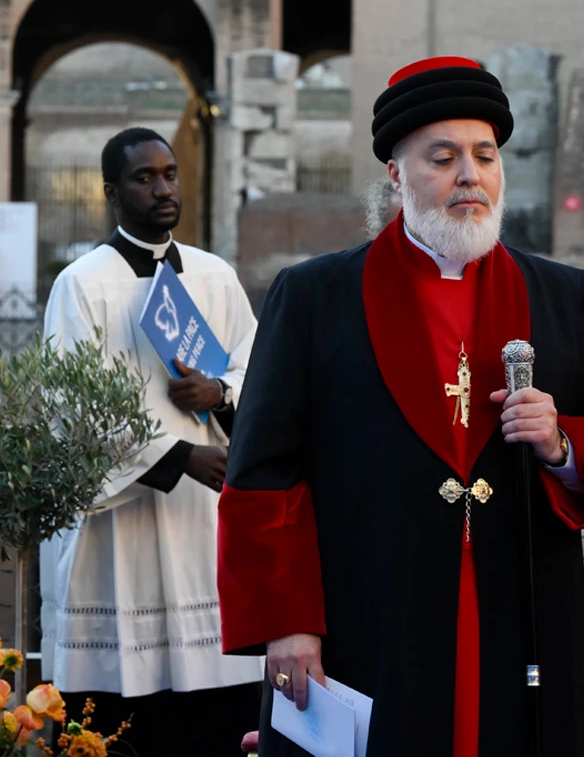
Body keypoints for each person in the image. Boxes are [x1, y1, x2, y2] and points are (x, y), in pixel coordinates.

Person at [220, 57, 584, 756]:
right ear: (396, 173)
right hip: (370, 605)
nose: (470, 176)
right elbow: (263, 475)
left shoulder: (564, 298)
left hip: (523, 607)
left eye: (485, 156)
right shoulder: (315, 297)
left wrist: (562, 445)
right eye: (443, 159)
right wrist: (286, 621)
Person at [39, 128, 262, 757]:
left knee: (213, 720)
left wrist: (219, 391)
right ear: (111, 192)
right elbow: (69, 407)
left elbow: (258, 370)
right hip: (121, 529)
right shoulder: (82, 283)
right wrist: (181, 456)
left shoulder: (215, 276)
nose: (163, 189)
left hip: (200, 525)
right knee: (123, 723)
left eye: (169, 174)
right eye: (144, 178)